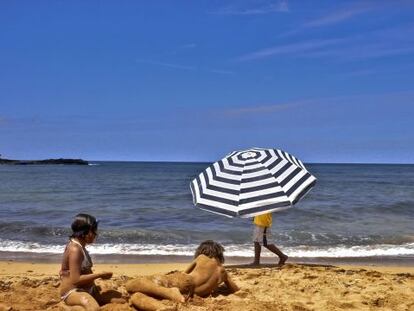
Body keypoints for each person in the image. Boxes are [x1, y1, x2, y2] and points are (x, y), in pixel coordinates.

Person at [126, 240, 239, 311]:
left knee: (131, 284)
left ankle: (168, 292)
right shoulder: (223, 272)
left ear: (203, 251)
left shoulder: (201, 258)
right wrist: (225, 281)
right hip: (189, 294)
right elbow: (235, 290)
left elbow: (184, 274)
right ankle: (161, 307)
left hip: (184, 282)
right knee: (136, 295)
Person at [59, 213, 119, 311]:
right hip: (73, 292)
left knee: (120, 300)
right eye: (94, 231)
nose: (95, 234)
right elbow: (76, 280)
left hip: (88, 289)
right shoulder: (75, 250)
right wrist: (100, 274)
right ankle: (65, 307)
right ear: (85, 232)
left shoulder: (80, 246)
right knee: (94, 308)